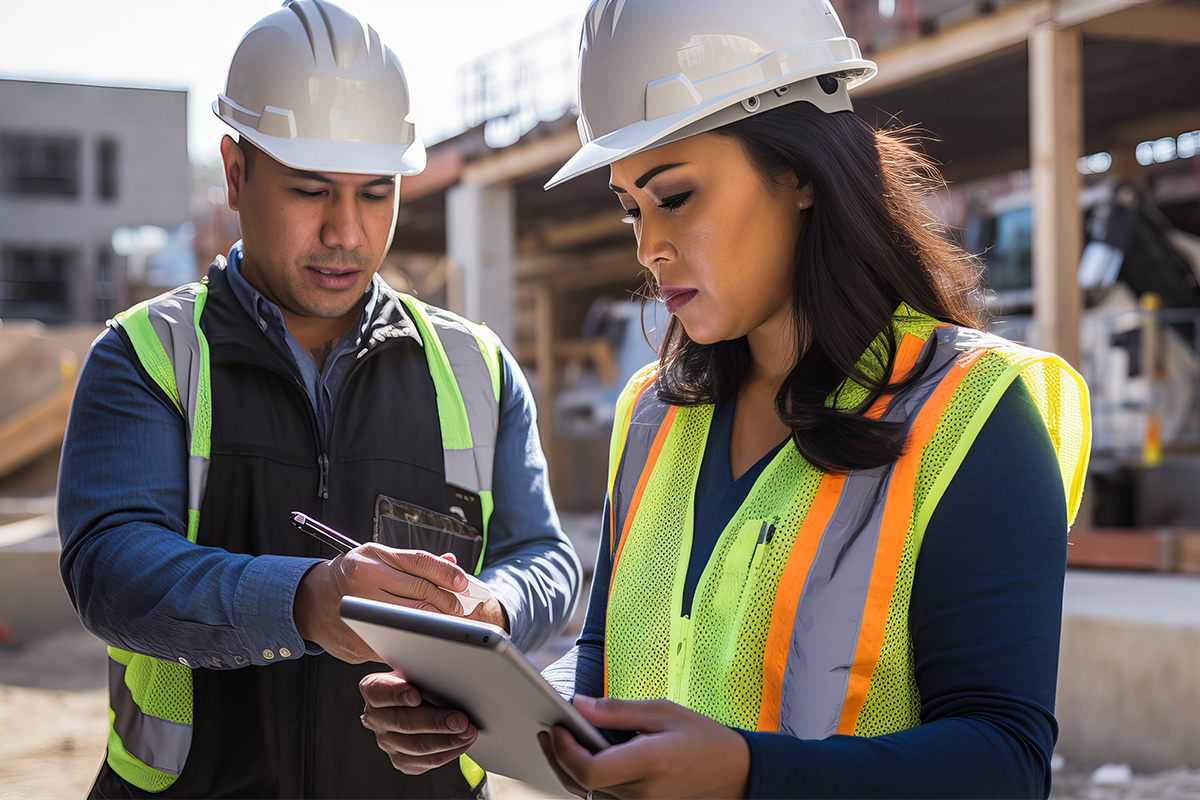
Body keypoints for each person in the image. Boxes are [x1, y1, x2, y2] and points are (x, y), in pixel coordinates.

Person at [362, 0, 1091, 797]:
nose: (648, 247)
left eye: (674, 198)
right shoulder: (651, 417)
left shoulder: (973, 414)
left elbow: (1003, 761)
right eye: (631, 209)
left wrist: (749, 776)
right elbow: (608, 662)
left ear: (802, 173)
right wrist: (490, 706)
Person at [56, 1, 580, 797]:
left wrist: (493, 606)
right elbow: (109, 568)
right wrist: (303, 601)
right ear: (236, 173)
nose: (348, 233)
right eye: (311, 191)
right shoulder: (146, 357)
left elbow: (543, 557)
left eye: (376, 193)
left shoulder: (475, 367)